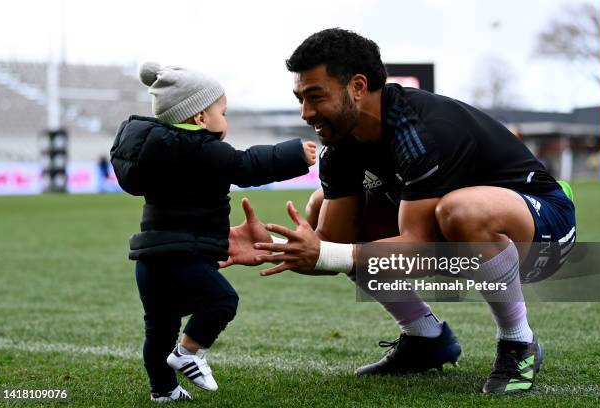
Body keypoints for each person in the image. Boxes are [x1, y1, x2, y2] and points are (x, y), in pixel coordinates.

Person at [222, 28, 576, 394]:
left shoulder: (418, 129)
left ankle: (519, 341)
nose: (306, 113)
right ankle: (426, 338)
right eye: (300, 99)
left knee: (462, 210)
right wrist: (273, 245)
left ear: (358, 87)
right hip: (458, 245)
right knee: (320, 206)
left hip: (543, 234)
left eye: (315, 97)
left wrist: (328, 251)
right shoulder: (339, 146)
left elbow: (419, 246)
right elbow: (331, 246)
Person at [110, 62, 316, 402]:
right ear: (200, 119)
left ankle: (163, 390)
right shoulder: (202, 150)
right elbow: (247, 165)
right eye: (222, 111)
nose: (226, 120)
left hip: (151, 258)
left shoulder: (163, 153)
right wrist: (295, 154)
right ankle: (188, 353)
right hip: (183, 255)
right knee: (222, 301)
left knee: (159, 329)